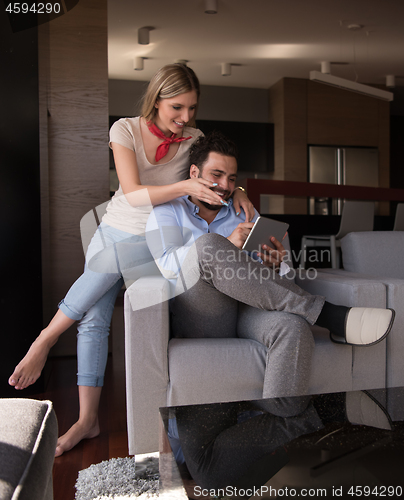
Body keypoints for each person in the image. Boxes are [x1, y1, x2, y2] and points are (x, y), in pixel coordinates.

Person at [8, 64, 255, 457]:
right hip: (117, 229)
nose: (185, 118)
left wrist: (238, 188)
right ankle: (87, 421)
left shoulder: (195, 137)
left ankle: (45, 338)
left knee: (107, 269)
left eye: (191, 108)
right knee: (94, 317)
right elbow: (133, 193)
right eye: (177, 107)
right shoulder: (123, 130)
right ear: (157, 99)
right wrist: (185, 186)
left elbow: (215, 170)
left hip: (159, 238)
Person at [146, 131, 395, 399]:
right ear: (194, 173)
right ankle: (327, 315)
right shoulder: (167, 211)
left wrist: (277, 265)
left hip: (249, 310)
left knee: (294, 328)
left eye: (231, 179)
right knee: (207, 245)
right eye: (216, 175)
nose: (224, 185)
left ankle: (278, 424)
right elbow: (168, 268)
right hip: (202, 311)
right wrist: (227, 243)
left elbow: (280, 274)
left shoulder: (245, 212)